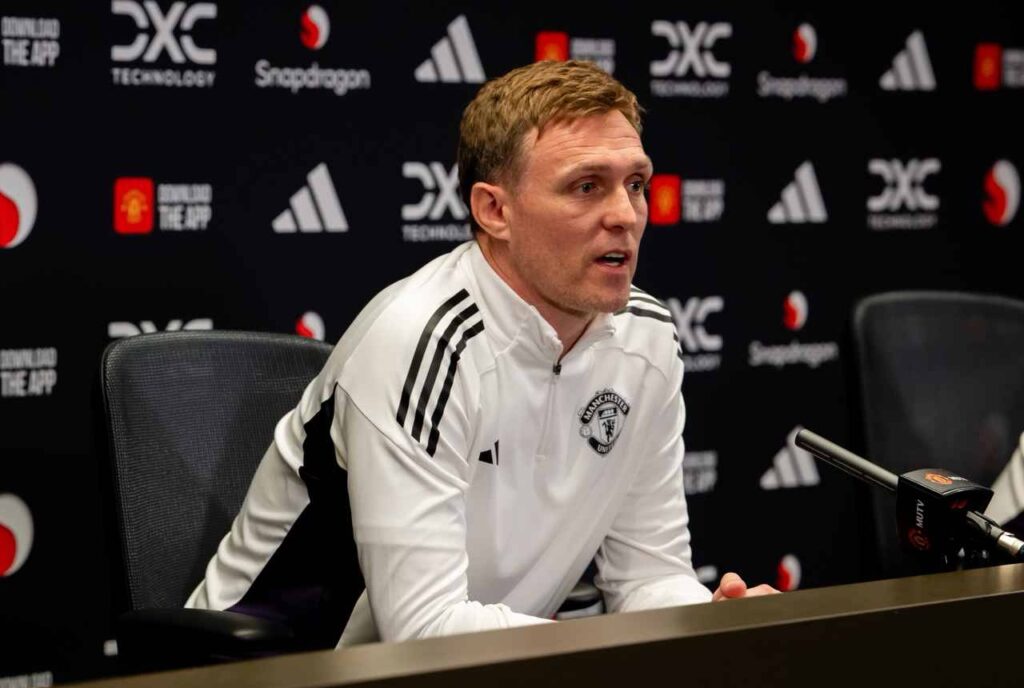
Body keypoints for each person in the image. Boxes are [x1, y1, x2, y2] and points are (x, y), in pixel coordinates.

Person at [186, 60, 776, 647]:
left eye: (636, 184)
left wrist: (707, 622)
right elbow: (422, 628)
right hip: (269, 674)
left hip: (476, 675)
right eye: (586, 186)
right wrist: (591, 649)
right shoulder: (422, 341)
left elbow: (648, 576)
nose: (625, 214)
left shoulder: (646, 337)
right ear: (495, 211)